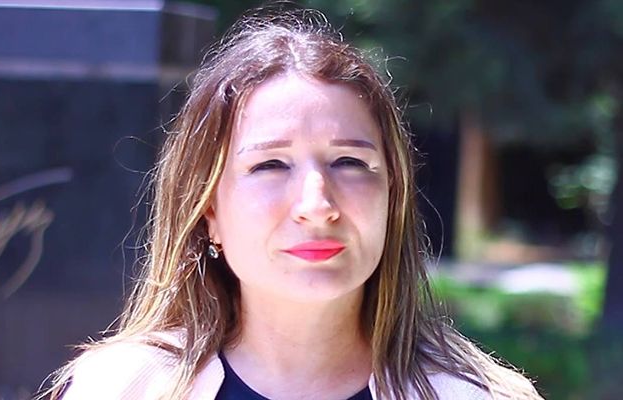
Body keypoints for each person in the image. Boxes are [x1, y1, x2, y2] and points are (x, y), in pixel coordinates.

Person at [40, 5, 543, 400]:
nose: (316, 204)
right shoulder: (117, 389)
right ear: (208, 211)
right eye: (270, 165)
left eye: (349, 162)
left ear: (394, 196)